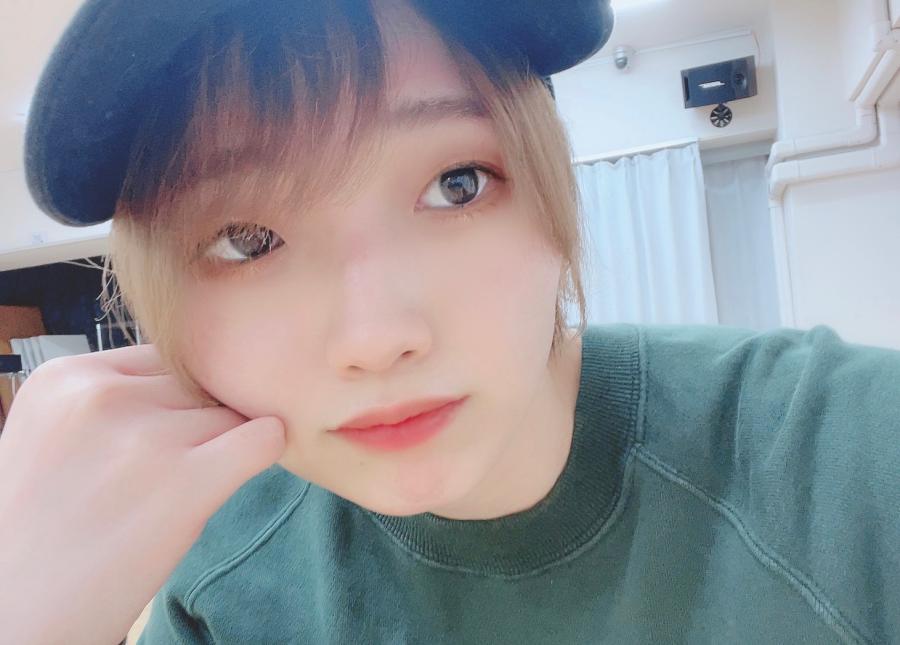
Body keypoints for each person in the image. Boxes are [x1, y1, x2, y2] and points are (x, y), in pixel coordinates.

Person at [2, 0, 898, 643]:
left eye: (455, 185)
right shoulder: (219, 577)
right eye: (248, 239)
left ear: (551, 197)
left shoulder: (843, 455)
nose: (375, 338)